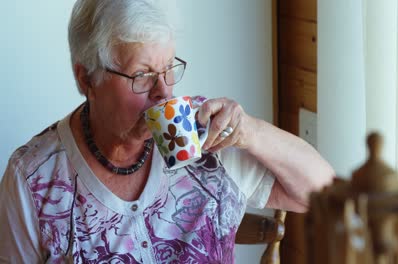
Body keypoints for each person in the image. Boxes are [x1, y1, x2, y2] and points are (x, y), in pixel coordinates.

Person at [0, 0, 334, 263]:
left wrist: (252, 132)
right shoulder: (33, 178)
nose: (164, 92)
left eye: (169, 68)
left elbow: (325, 194)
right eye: (141, 75)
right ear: (86, 78)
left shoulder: (202, 130)